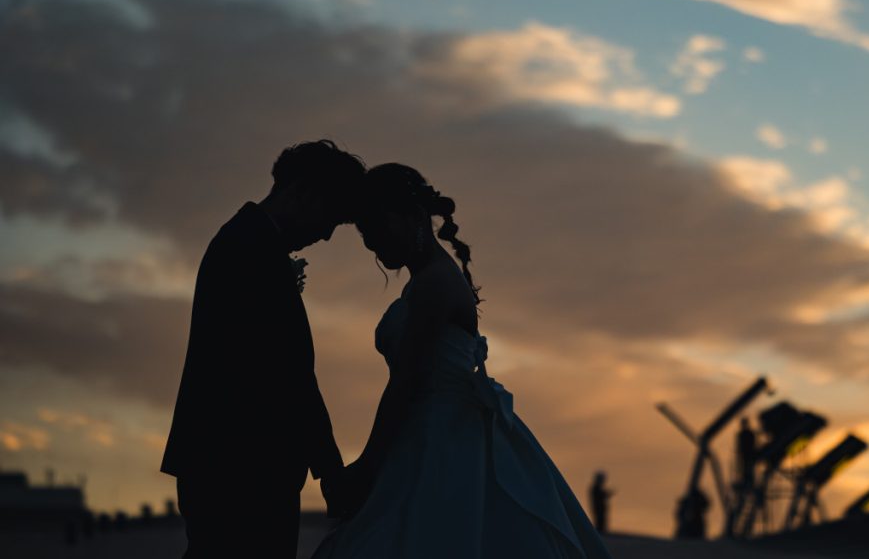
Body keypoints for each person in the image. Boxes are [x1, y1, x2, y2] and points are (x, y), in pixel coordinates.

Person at [313, 163, 612, 559]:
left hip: (440, 438)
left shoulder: (435, 284)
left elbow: (406, 381)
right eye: (364, 233)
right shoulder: (426, 280)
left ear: (413, 216)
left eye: (376, 227)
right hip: (428, 429)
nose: (371, 243)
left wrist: (367, 467)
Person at [160, 140, 365, 558]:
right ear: (303, 192)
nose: (327, 235)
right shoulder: (249, 250)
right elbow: (286, 372)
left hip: (234, 464)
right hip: (239, 467)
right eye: (331, 217)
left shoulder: (249, 241)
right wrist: (330, 469)